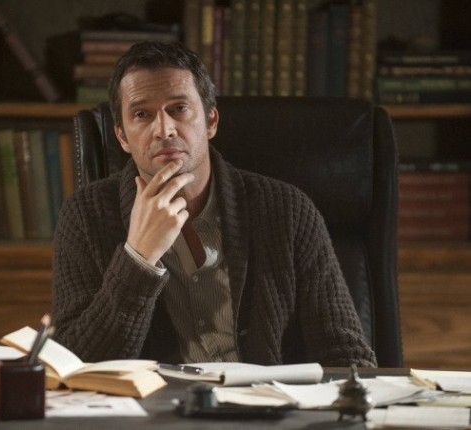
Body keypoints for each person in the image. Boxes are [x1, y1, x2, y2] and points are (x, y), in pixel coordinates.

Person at [51, 40, 377, 368]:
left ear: (211, 122)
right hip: (156, 401)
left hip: (267, 397)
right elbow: (73, 366)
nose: (163, 129)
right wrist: (138, 259)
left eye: (179, 109)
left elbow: (348, 356)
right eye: (142, 114)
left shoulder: (289, 211)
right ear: (122, 137)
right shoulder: (85, 216)